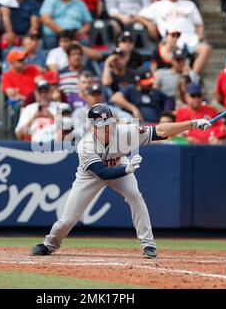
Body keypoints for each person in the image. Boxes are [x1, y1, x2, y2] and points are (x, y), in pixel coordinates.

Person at [30, 103, 211, 258]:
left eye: (109, 123)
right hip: (90, 176)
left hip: (120, 164)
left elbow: (161, 130)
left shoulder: (125, 132)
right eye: (102, 125)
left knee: (134, 195)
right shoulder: (86, 145)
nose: (107, 128)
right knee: (69, 218)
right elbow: (102, 172)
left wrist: (193, 123)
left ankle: (148, 244)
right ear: (92, 127)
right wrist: (126, 169)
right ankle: (50, 244)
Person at [137, 0, 211, 76]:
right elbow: (139, 16)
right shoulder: (158, 5)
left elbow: (199, 24)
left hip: (190, 40)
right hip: (170, 39)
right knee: (167, 49)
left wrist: (200, 35)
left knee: (206, 48)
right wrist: (149, 25)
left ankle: (192, 76)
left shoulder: (189, 4)